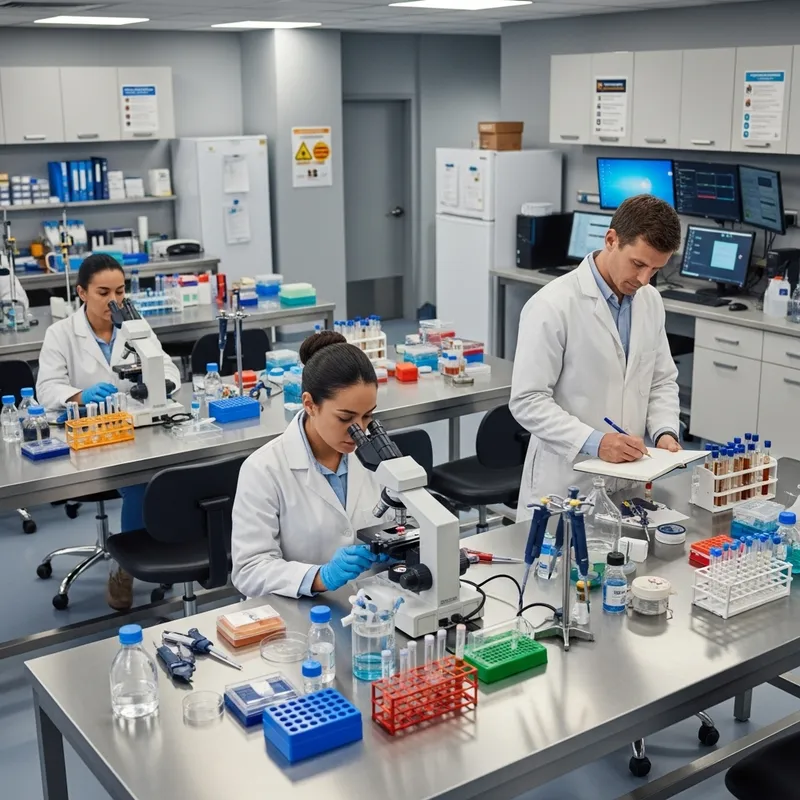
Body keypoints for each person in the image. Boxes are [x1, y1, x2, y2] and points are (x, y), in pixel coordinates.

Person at [510, 194, 682, 518]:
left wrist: (665, 432)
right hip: (566, 484)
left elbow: (661, 380)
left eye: (656, 269)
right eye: (638, 264)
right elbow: (527, 400)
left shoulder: (650, 302)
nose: (645, 279)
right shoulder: (552, 305)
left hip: (628, 482)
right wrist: (595, 442)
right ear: (611, 240)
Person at [37, 253, 181, 610]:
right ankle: (124, 569)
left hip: (138, 433)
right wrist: (80, 395)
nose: (113, 301)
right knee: (137, 482)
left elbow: (170, 372)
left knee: (160, 476)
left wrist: (155, 384)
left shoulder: (136, 327)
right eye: (103, 292)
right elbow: (47, 388)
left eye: (120, 291)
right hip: (89, 439)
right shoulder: (60, 334)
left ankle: (148, 551)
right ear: (82, 292)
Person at [232, 331, 389, 598]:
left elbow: (405, 520)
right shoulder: (263, 469)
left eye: (368, 416)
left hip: (374, 605)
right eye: (345, 417)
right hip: (298, 613)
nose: (359, 430)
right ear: (309, 404)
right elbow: (249, 570)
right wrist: (319, 577)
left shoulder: (378, 456)